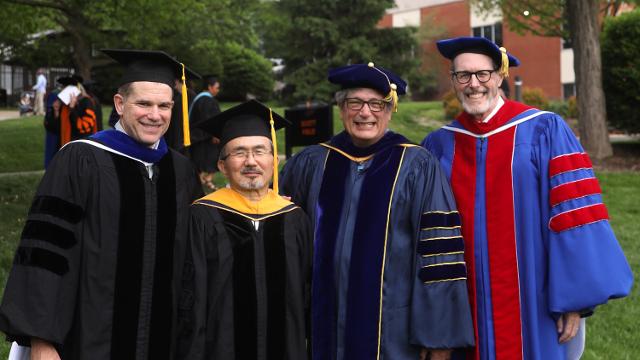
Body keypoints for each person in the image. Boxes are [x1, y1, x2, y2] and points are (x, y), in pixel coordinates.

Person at [421, 36, 633, 360]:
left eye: (483, 74)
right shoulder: (438, 145)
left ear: (500, 75)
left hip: (533, 298)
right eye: (463, 75)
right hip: (462, 304)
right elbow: (425, 236)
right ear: (453, 81)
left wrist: (573, 298)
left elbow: (574, 214)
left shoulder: (544, 130)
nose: (473, 84)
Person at [0, 49, 204, 360]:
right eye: (144, 104)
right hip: (89, 339)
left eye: (164, 106)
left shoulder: (181, 172)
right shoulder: (80, 159)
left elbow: (198, 252)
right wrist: (42, 341)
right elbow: (46, 253)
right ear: (120, 105)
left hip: (163, 342)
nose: (155, 114)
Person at [280, 62, 474, 360]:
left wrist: (438, 337)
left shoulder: (417, 166)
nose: (365, 113)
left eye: (376, 104)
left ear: (390, 109)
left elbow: (439, 256)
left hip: (394, 333)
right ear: (341, 107)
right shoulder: (312, 163)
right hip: (323, 328)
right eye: (354, 102)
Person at [179, 100, 313, 359]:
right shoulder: (202, 216)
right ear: (222, 166)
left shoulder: (294, 219)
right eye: (239, 152)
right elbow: (190, 299)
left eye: (260, 151)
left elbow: (306, 295)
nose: (251, 162)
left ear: (273, 160)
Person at [188, 75, 222, 190]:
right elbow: (210, 120)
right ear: (209, 87)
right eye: (216, 87)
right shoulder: (207, 100)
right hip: (204, 137)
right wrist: (215, 133)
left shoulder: (199, 98)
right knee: (208, 159)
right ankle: (204, 180)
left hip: (198, 135)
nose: (218, 90)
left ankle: (204, 180)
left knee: (201, 161)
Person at [47, 75, 99, 147]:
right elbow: (55, 129)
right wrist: (56, 112)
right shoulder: (64, 104)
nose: (63, 91)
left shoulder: (86, 102)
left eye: (66, 88)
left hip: (82, 146)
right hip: (66, 145)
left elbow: (85, 128)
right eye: (63, 88)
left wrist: (73, 109)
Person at [164, 73, 199, 154]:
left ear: (177, 81)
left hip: (184, 135)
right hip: (174, 133)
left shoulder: (191, 96)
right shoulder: (175, 95)